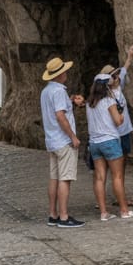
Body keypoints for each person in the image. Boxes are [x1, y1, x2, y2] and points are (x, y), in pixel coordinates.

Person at [40, 57, 85, 228]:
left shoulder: (46, 91)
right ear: (60, 74)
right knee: (65, 179)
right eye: (64, 70)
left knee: (54, 178)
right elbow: (60, 116)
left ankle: (53, 214)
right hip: (63, 141)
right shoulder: (59, 91)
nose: (66, 73)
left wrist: (70, 100)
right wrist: (73, 136)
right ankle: (64, 217)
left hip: (52, 140)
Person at [86, 73, 133, 220]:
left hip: (95, 143)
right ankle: (124, 210)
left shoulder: (89, 103)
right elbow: (118, 121)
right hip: (109, 141)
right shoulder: (109, 101)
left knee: (99, 178)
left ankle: (104, 213)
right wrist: (121, 116)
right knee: (117, 177)